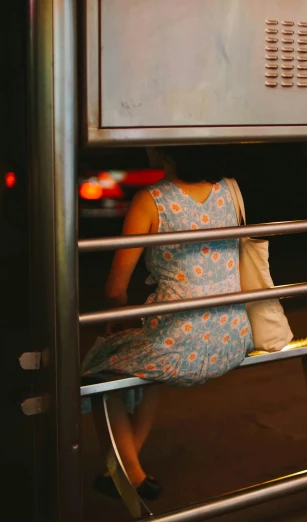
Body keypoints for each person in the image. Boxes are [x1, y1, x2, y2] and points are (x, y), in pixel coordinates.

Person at [82, 146, 254, 500]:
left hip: (180, 347)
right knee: (148, 367)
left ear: (165, 150)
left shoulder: (151, 199)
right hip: (235, 338)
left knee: (97, 370)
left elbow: (115, 289)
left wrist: (115, 319)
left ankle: (130, 474)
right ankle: (117, 469)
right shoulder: (230, 188)